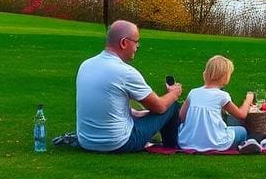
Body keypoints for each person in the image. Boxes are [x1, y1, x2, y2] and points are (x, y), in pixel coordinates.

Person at [75, 20, 182, 153]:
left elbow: (106, 102)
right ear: (124, 43)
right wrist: (174, 93)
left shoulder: (86, 65)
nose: (137, 46)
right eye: (136, 42)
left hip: (86, 141)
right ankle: (171, 146)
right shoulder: (125, 72)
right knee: (171, 105)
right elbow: (159, 107)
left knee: (150, 108)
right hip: (118, 143)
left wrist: (135, 113)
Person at [177, 55, 255, 152]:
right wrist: (248, 99)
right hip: (215, 142)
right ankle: (242, 146)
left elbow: (181, 116)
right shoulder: (222, 95)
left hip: (187, 142)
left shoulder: (193, 92)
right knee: (241, 131)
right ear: (225, 76)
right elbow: (241, 115)